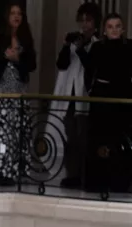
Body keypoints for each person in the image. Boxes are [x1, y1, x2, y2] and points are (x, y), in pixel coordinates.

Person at [0, 1, 35, 186]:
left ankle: (13, 171)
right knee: (0, 131)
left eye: (19, 13)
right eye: (13, 13)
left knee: (16, 131)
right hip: (0, 90)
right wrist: (5, 57)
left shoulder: (26, 39)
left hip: (18, 91)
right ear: (7, 16)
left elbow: (32, 65)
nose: (16, 16)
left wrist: (17, 59)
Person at [51, 3, 99, 190]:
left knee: (84, 137)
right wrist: (66, 45)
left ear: (95, 23)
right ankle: (71, 174)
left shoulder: (97, 43)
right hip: (70, 94)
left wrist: (80, 49)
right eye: (82, 20)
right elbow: (61, 64)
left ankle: (84, 175)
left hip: (85, 95)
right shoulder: (73, 42)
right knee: (70, 136)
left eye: (89, 20)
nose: (85, 24)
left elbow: (92, 66)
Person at [83, 13, 132, 194]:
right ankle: (97, 181)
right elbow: (88, 71)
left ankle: (120, 182)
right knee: (100, 140)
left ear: (123, 29)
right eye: (110, 26)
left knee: (121, 141)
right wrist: (91, 91)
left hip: (123, 100)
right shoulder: (97, 47)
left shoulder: (129, 46)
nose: (114, 30)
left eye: (117, 26)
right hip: (102, 100)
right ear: (104, 30)